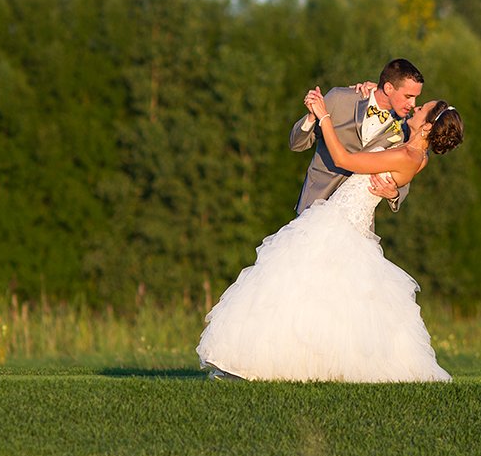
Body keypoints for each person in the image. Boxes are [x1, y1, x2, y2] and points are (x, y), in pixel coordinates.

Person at [196, 88, 464, 382]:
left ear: (427, 126)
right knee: (313, 295)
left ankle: (261, 363)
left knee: (293, 288)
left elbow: (345, 160)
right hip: (341, 218)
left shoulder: (406, 153)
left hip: (342, 222)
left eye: (422, 106)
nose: (415, 107)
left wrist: (324, 116)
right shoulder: (414, 152)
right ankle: (274, 363)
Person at [290, 58, 425, 225]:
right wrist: (312, 116)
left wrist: (394, 194)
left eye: (415, 98)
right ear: (389, 88)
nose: (413, 104)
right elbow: (296, 144)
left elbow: (405, 169)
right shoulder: (340, 98)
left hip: (355, 220)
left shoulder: (405, 129)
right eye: (408, 96)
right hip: (313, 205)